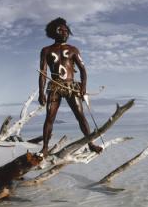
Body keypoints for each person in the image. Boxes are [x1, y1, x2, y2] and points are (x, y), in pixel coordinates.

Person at [38, 17, 102, 156]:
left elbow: (83, 69)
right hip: (55, 86)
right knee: (49, 118)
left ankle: (90, 143)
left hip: (71, 86)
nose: (64, 32)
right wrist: (41, 93)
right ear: (53, 32)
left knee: (80, 115)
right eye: (60, 30)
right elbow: (43, 73)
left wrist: (83, 86)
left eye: (66, 30)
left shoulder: (73, 49)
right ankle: (44, 148)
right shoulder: (46, 50)